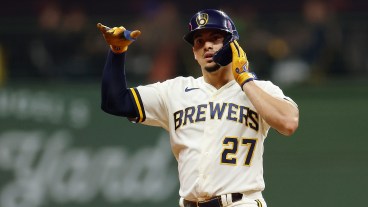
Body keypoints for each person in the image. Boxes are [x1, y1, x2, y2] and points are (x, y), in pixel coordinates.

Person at [97, 9, 299, 207]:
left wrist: (245, 79)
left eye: (215, 38)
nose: (207, 46)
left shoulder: (259, 90)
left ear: (232, 45)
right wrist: (117, 52)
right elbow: (115, 102)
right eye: (199, 41)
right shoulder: (175, 91)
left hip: (240, 202)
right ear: (194, 52)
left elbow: (289, 123)